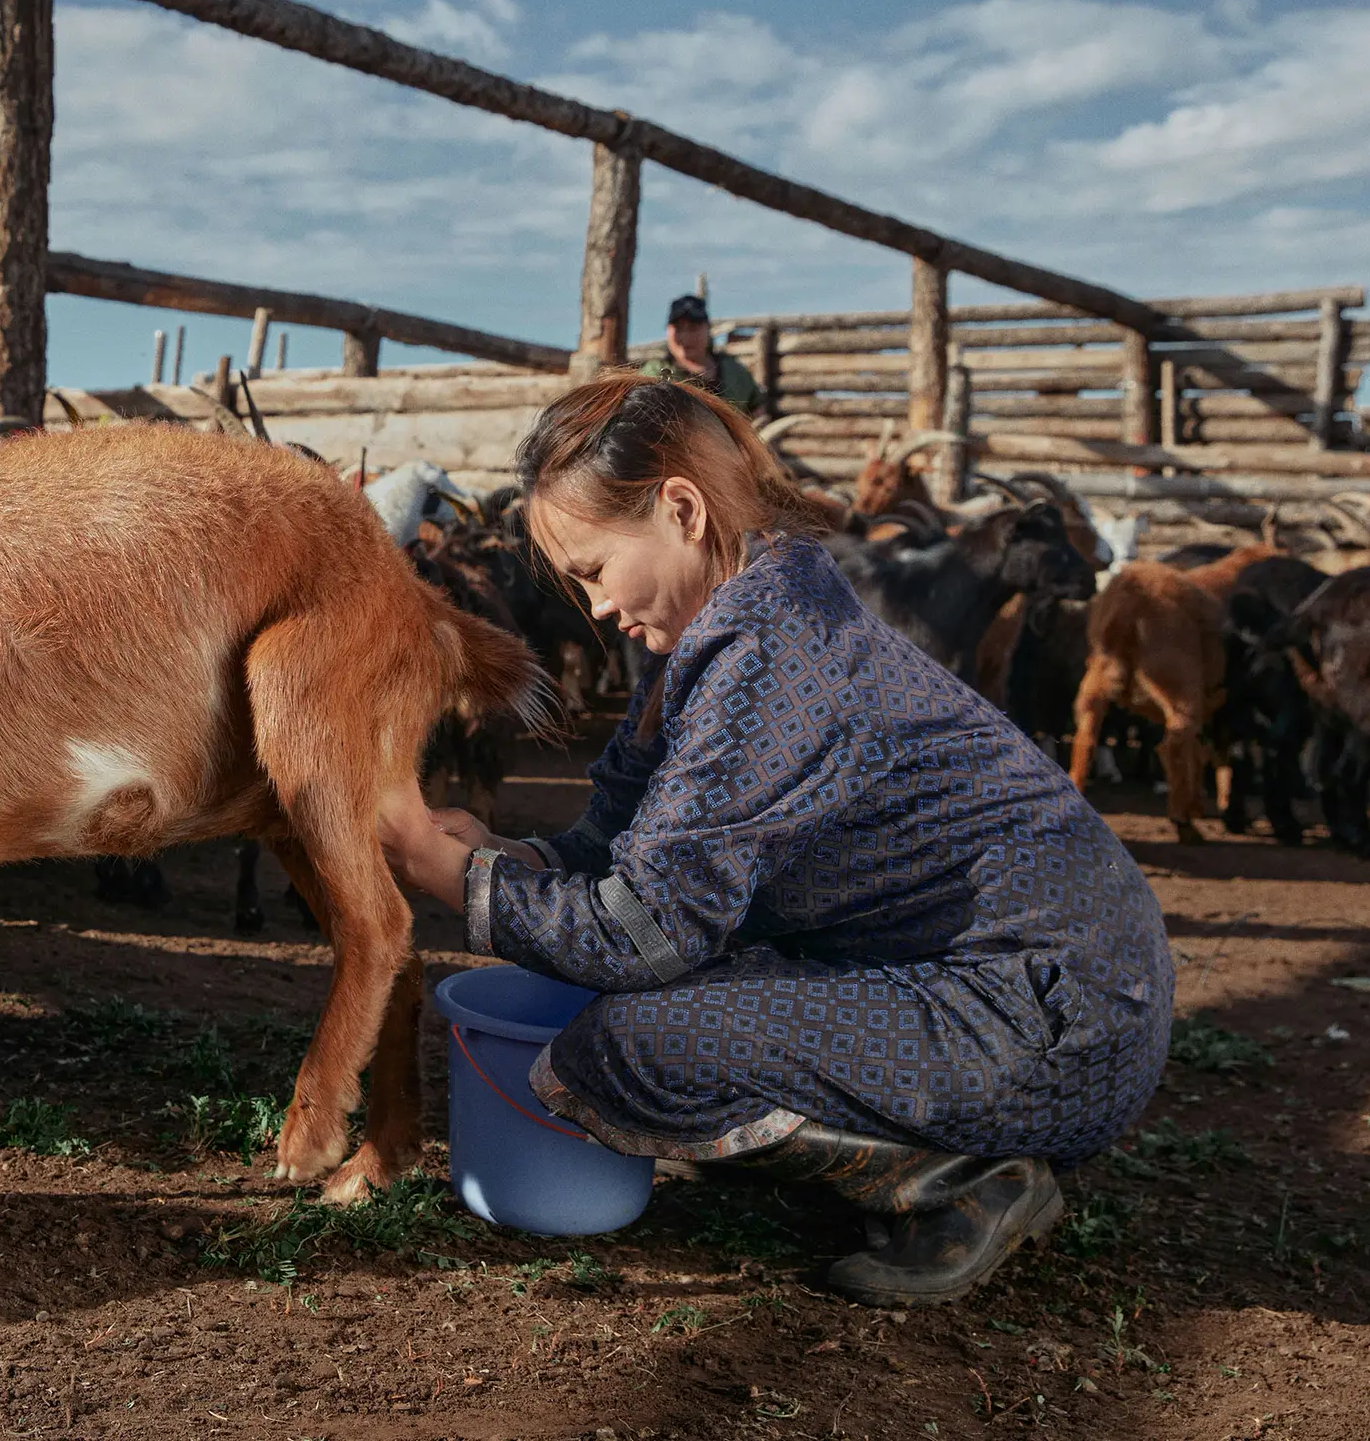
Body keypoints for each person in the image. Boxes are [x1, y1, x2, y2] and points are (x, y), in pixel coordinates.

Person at [380, 375, 1172, 1307]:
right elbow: (627, 845)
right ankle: (876, 1141)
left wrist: (453, 880)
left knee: (629, 1050)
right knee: (668, 1009)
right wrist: (515, 862)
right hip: (1010, 983)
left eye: (594, 570)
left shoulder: (773, 654)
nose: (592, 606)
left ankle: (971, 1181)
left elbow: (643, 934)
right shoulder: (727, 630)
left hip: (1054, 1017)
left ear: (680, 509)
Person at [636, 293, 761, 413]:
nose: (685, 337)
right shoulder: (654, 372)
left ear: (708, 329)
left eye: (693, 328)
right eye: (678, 328)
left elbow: (758, 408)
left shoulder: (734, 372)